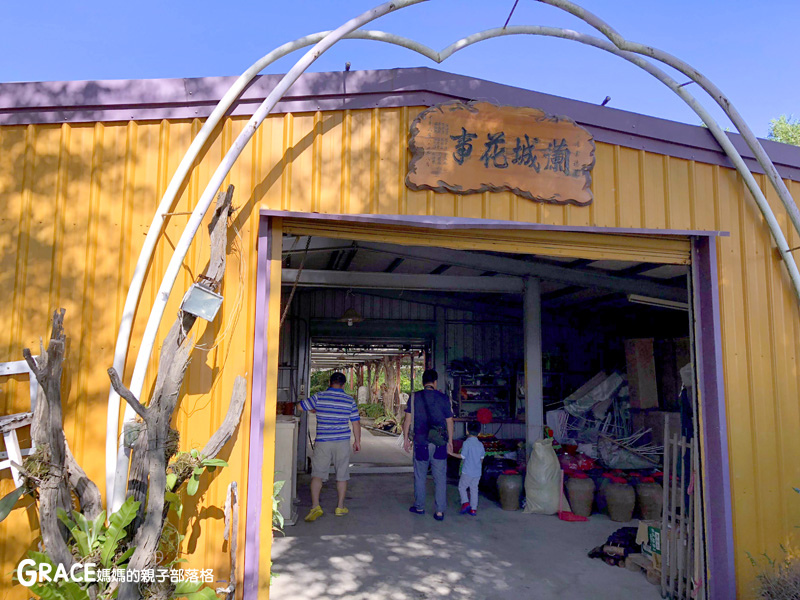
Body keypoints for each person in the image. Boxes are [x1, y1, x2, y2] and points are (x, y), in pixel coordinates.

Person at [299, 371, 361, 522]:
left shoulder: (319, 397)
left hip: (323, 441)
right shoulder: (349, 400)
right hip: (342, 442)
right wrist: (357, 441)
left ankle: (315, 507)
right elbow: (356, 422)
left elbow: (300, 407)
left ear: (329, 382)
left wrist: (313, 409)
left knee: (317, 475)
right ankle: (340, 507)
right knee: (342, 474)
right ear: (344, 385)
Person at [402, 369, 454, 521]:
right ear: (435, 382)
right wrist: (450, 441)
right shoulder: (443, 398)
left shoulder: (414, 397)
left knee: (420, 477)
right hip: (439, 444)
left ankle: (419, 507)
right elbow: (450, 421)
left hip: (420, 443)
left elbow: (407, 420)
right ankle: (439, 512)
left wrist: (406, 439)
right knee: (440, 478)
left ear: (422, 382)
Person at [448, 420, 485, 516]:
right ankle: (473, 509)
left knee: (462, 487)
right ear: (479, 432)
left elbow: (462, 456)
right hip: (477, 472)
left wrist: (451, 453)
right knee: (474, 489)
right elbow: (481, 459)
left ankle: (465, 503)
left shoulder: (466, 443)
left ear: (467, 431)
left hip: (467, 471)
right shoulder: (480, 444)